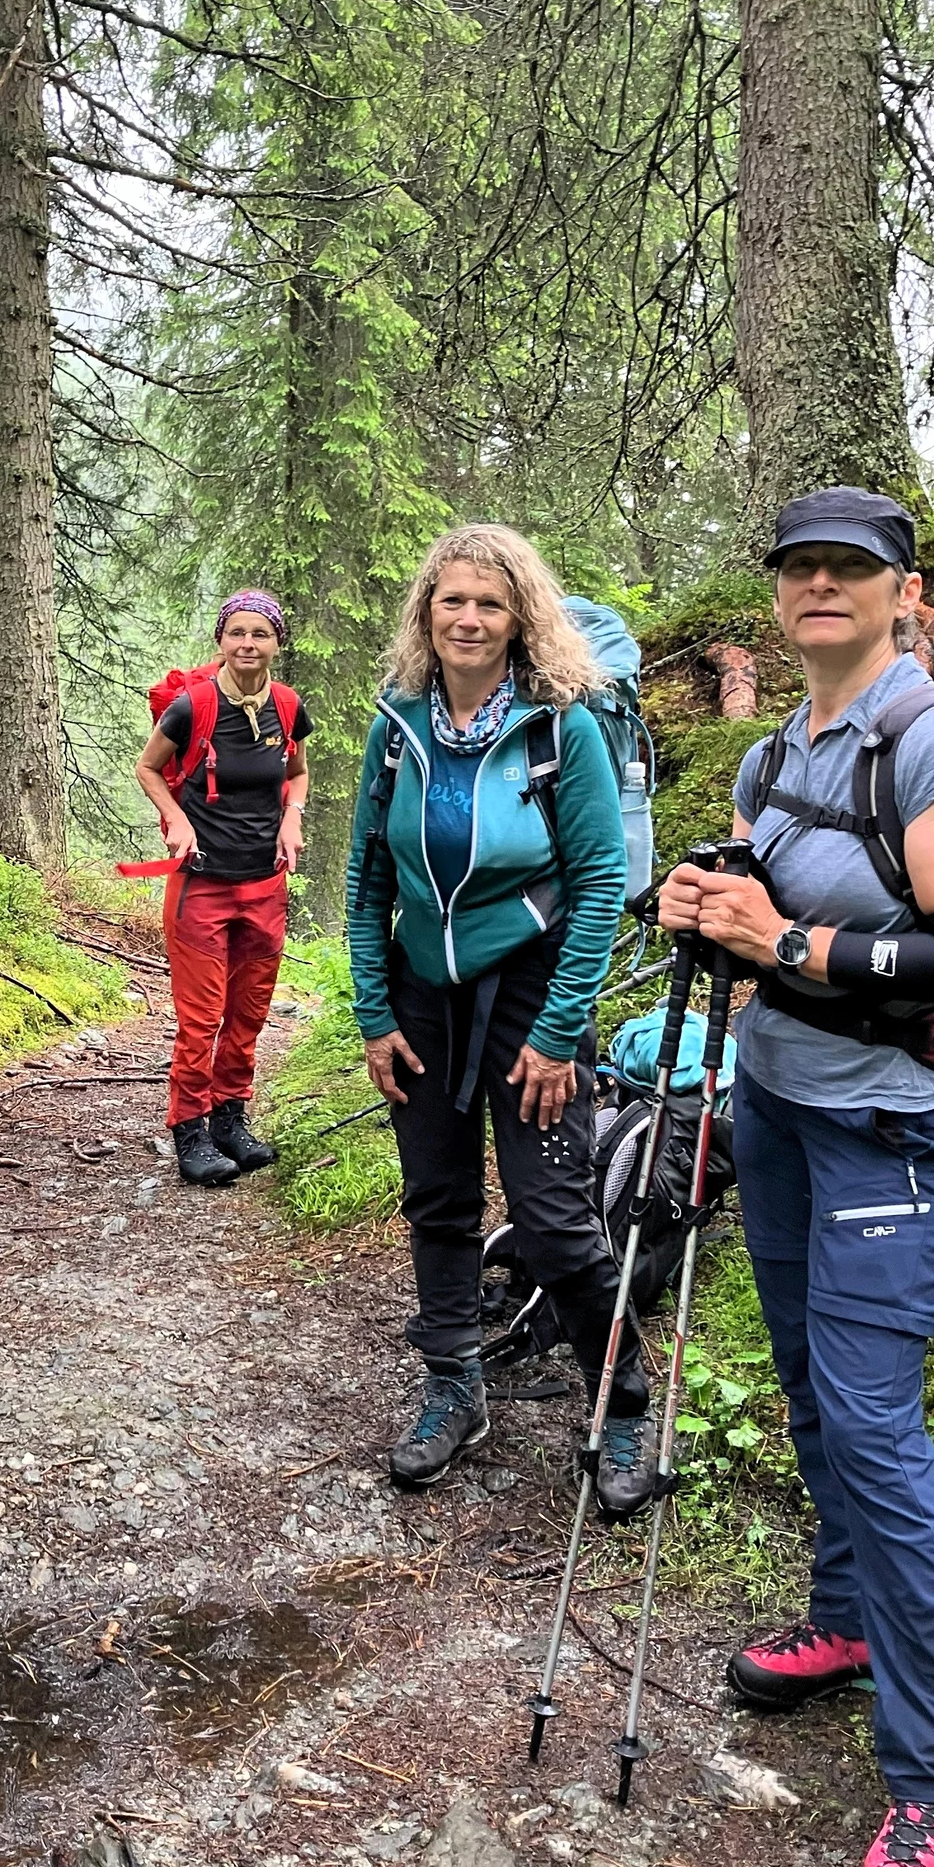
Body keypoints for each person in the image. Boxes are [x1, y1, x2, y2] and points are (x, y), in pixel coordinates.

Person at [661, 486, 934, 1867]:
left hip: (900, 1126)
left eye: (848, 570)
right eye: (799, 568)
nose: (820, 587)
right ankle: (850, 1615)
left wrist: (786, 938)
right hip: (784, 1100)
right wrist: (701, 901)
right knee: (815, 1390)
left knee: (874, 1420)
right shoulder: (779, 745)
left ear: (904, 593)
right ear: (778, 597)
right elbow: (769, 907)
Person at [344, 525, 653, 1517]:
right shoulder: (397, 725)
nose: (469, 619)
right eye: (452, 601)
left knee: (556, 1217)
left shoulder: (562, 726)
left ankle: (625, 1403)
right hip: (420, 990)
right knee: (437, 1198)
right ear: (426, 615)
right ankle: (454, 1385)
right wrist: (373, 1011)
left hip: (532, 986)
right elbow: (365, 881)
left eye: (490, 603)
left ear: (521, 616)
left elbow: (601, 881)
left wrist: (561, 1031)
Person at [135, 591, 312, 1186]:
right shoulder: (192, 707)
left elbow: (298, 771)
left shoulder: (288, 707)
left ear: (275, 644)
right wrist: (178, 820)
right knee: (202, 1015)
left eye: (260, 635)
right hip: (202, 887)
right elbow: (148, 767)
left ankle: (230, 1120)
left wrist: (293, 817)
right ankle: (189, 1128)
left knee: (248, 1013)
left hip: (264, 885)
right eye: (237, 633)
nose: (247, 645)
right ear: (221, 640)